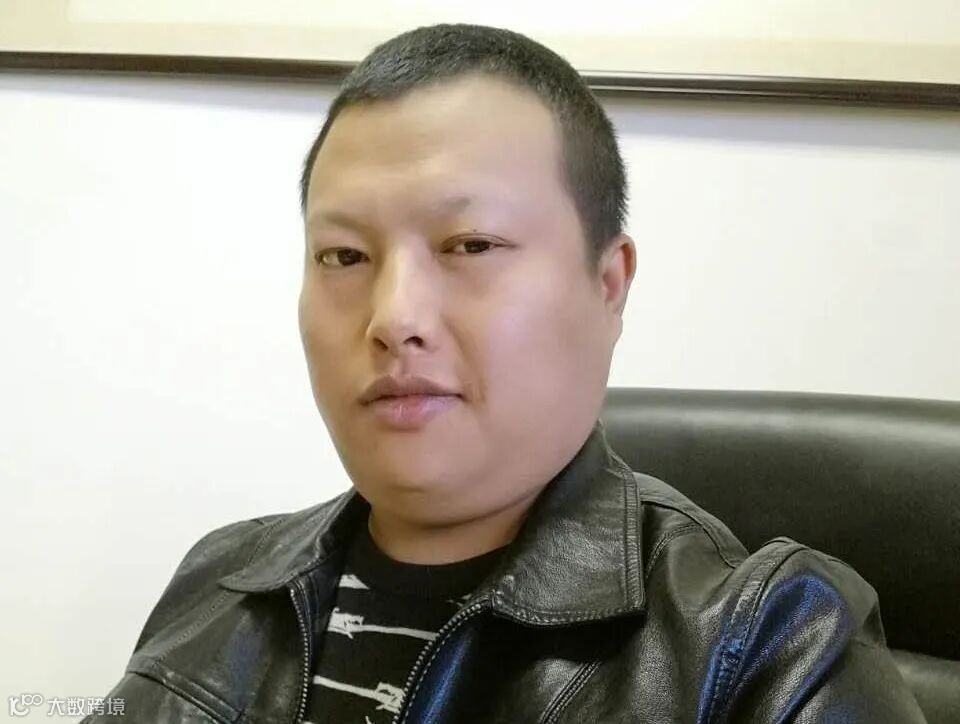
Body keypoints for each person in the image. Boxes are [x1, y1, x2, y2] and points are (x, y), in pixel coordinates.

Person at [84, 23, 926, 723]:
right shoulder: (219, 580)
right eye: (343, 255)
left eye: (471, 245)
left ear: (608, 284)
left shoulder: (773, 648)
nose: (394, 318)